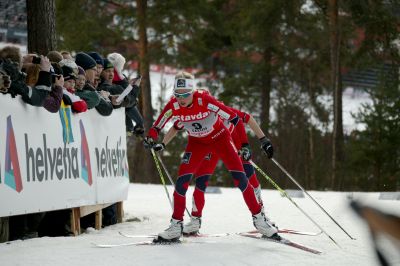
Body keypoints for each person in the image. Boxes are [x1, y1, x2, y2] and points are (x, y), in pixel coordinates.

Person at [145, 72, 278, 242]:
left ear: (193, 91)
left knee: (241, 179)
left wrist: (245, 145)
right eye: (178, 94)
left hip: (220, 139)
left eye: (186, 94)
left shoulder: (206, 101)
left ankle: (260, 220)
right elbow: (158, 126)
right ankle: (176, 225)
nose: (181, 98)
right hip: (197, 143)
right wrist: (152, 139)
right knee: (181, 182)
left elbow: (237, 119)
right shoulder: (174, 106)